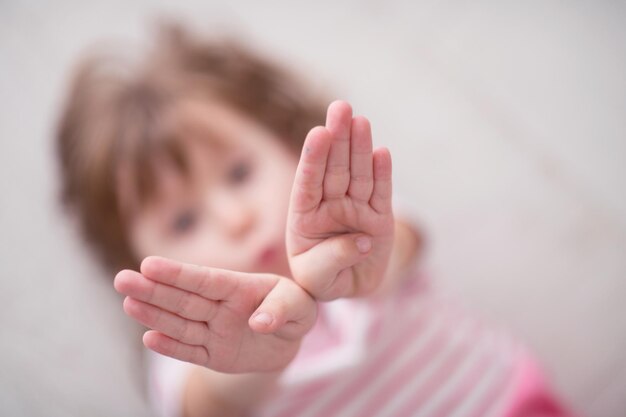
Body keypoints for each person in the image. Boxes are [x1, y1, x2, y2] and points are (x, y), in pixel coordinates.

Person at [56, 23, 573, 417]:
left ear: (284, 141)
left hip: (506, 400)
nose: (236, 219)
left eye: (239, 172)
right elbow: (209, 406)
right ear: (139, 259)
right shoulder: (189, 339)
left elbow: (404, 241)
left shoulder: (356, 215)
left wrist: (364, 266)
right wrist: (255, 358)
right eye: (184, 221)